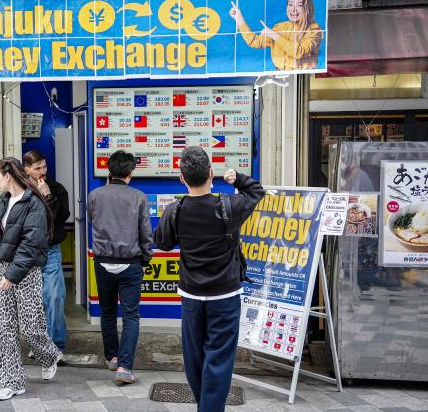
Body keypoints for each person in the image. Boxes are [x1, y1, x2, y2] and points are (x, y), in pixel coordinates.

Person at [154, 147, 265, 412]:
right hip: (225, 297)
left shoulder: (175, 210)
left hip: (191, 296)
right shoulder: (229, 206)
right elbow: (256, 191)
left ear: (182, 178)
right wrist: (237, 178)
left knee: (194, 358)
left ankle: (204, 405)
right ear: (211, 174)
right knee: (219, 358)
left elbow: (163, 243)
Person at [0, 157, 61, 401]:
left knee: (31, 328)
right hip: (2, 269)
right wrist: (2, 270)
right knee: (7, 329)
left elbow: (32, 243)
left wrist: (12, 274)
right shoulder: (4, 201)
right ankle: (13, 382)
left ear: (8, 175)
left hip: (27, 271)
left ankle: (49, 355)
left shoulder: (34, 204)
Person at [87, 150, 153, 384]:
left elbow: (96, 222)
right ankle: (124, 367)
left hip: (102, 263)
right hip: (131, 264)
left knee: (107, 312)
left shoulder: (94, 195)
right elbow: (146, 234)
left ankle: (112, 357)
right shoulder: (139, 197)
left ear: (109, 171)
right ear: (131, 173)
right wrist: (146, 259)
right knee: (131, 316)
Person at [23, 150, 71, 355]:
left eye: (44, 167)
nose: (42, 171)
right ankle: (39, 343)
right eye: (37, 168)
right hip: (27, 252)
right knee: (34, 301)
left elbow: (61, 217)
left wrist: (48, 196)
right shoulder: (20, 190)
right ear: (26, 169)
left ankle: (56, 345)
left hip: (51, 250)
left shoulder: (56, 189)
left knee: (54, 297)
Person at [230, 0, 323, 71]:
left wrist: (275, 36)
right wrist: (240, 20)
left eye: (299, 5)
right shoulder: (280, 27)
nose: (293, 9)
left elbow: (300, 53)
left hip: (301, 74)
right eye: (290, 4)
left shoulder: (314, 29)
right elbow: (255, 42)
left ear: (307, 9)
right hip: (278, 72)